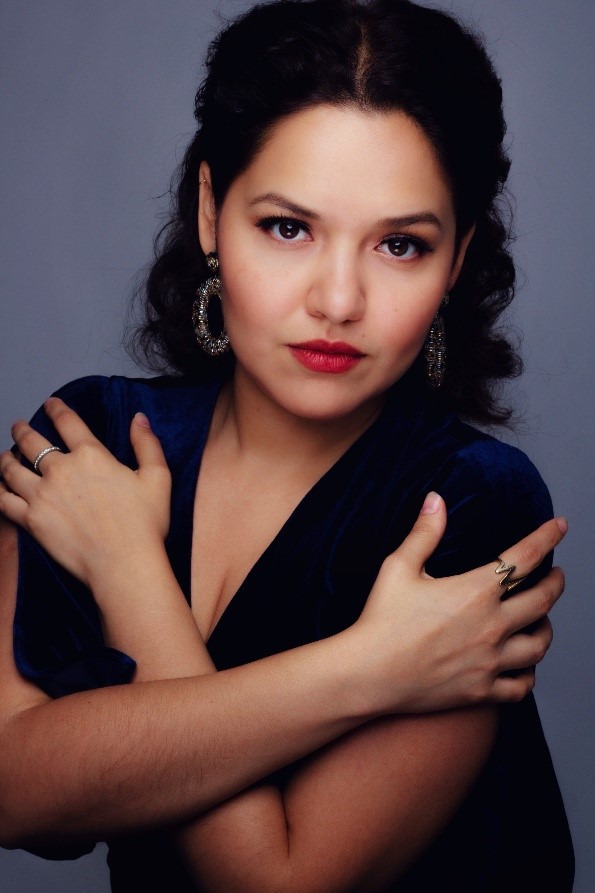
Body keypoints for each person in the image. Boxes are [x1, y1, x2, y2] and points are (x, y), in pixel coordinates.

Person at [0, 0, 574, 890]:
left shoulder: (468, 502)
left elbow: (277, 882)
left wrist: (126, 568)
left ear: (457, 257)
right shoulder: (93, 440)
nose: (337, 300)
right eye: (287, 227)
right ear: (209, 210)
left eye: (399, 244)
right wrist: (375, 668)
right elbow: (13, 791)